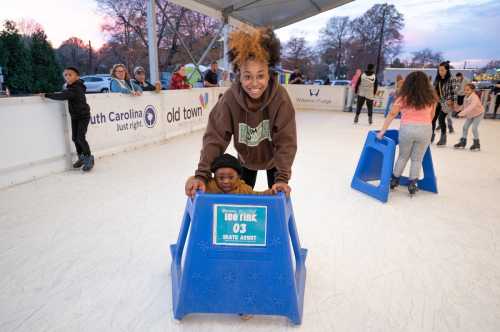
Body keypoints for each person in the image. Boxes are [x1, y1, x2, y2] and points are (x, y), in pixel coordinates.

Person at [185, 27, 296, 198]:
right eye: (247, 76)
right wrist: (202, 175)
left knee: (276, 202)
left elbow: (286, 140)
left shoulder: (280, 98)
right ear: (239, 75)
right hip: (245, 159)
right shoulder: (230, 99)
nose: (254, 84)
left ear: (269, 74)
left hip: (275, 161)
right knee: (242, 203)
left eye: (260, 76)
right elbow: (215, 137)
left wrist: (282, 178)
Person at [376, 71, 438, 196]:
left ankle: (394, 180)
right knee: (417, 159)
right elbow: (432, 117)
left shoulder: (403, 97)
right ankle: (412, 183)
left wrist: (383, 130)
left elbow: (392, 113)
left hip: (407, 129)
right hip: (425, 129)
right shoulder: (431, 98)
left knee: (403, 156)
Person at [40, 67, 95, 172]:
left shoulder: (76, 88)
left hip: (83, 116)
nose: (67, 77)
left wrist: (47, 95)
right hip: (75, 116)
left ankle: (89, 158)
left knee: (80, 137)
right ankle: (81, 157)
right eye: (65, 75)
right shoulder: (71, 87)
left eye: (70, 74)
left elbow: (63, 95)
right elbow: (65, 92)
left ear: (77, 76)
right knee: (75, 138)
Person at [199, 154, 274, 194]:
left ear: (238, 177)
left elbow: (257, 196)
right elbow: (197, 184)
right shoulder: (210, 186)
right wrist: (194, 180)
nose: (226, 181)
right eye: (221, 178)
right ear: (214, 177)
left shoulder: (243, 189)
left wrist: (271, 192)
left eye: (231, 177)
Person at [432, 61, 457, 146]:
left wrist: (452, 101)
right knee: (433, 119)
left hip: (447, 102)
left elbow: (455, 91)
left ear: (447, 70)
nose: (440, 72)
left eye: (442, 70)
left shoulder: (452, 79)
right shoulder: (437, 79)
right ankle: (431, 135)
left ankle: (443, 138)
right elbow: (433, 90)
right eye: (439, 70)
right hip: (437, 101)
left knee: (441, 119)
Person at [453, 83, 484, 151]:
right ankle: (463, 142)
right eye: (465, 90)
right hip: (470, 114)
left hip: (478, 114)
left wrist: (462, 113)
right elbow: (464, 106)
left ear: (472, 90)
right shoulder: (465, 97)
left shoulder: (475, 97)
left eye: (468, 90)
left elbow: (471, 107)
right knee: (465, 127)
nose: (465, 91)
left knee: (474, 128)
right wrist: (458, 109)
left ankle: (476, 144)